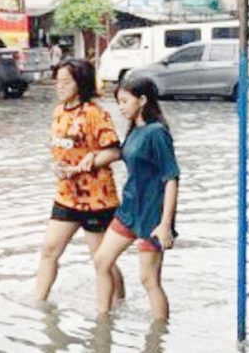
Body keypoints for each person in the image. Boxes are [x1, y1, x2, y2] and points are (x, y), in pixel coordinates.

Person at [86, 77, 180, 320]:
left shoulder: (157, 133)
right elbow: (123, 154)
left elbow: (171, 178)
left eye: (125, 101)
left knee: (149, 280)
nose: (121, 107)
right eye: (119, 102)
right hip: (128, 211)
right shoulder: (135, 131)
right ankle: (103, 319)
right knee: (101, 261)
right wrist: (91, 159)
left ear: (143, 100)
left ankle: (158, 337)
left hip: (152, 216)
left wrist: (165, 224)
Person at [33, 59, 125, 304]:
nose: (59, 86)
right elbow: (62, 148)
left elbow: (115, 152)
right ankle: (38, 303)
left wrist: (92, 160)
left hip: (97, 199)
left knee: (101, 260)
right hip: (66, 195)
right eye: (58, 81)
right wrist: (59, 167)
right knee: (49, 250)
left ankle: (118, 303)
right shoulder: (58, 112)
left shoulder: (95, 114)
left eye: (66, 82)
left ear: (80, 83)